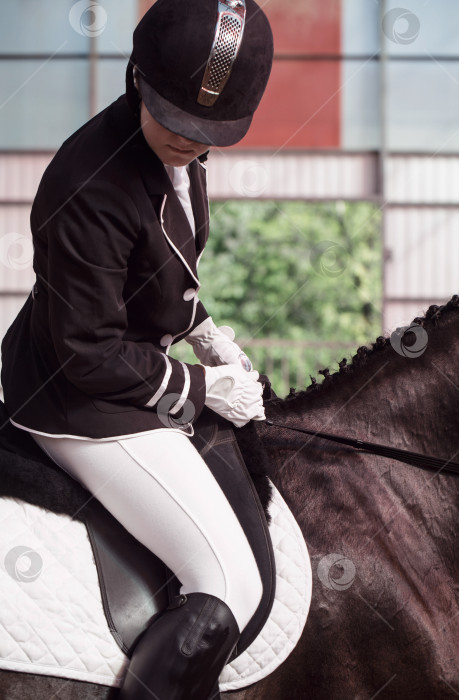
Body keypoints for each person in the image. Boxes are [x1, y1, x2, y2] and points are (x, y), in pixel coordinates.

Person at [0, 0, 273, 698]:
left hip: (123, 360)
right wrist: (202, 388)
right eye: (178, 122)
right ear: (137, 79)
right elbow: (87, 350)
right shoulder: (88, 183)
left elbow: (154, 271)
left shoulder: (177, 147)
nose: (191, 141)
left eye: (209, 130)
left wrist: (203, 330)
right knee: (227, 583)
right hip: (77, 393)